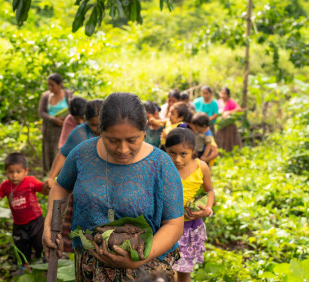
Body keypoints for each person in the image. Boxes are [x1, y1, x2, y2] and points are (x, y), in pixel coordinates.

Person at [43, 92, 184, 281]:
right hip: (90, 269)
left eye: (132, 140)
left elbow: (174, 224)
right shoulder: (82, 154)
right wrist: (50, 224)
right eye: (113, 140)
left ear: (145, 131)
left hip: (146, 270)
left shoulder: (161, 165)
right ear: (100, 131)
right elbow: (61, 187)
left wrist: (139, 259)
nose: (123, 149)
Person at [46, 99, 103, 253]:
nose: (97, 128)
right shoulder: (79, 134)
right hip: (84, 192)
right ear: (86, 121)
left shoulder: (114, 131)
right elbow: (64, 154)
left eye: (100, 124)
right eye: (93, 124)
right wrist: (51, 177)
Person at [0, 153, 49, 275]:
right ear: (5, 172)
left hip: (36, 221)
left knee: (40, 242)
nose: (14, 175)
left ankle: (46, 261)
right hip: (19, 224)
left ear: (26, 171)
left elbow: (43, 190)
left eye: (18, 171)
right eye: (10, 172)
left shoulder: (30, 182)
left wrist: (47, 186)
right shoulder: (5, 186)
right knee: (21, 245)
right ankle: (25, 266)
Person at [165, 128, 215, 282]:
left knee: (184, 272)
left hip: (189, 229)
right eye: (172, 153)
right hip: (165, 226)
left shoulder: (202, 167)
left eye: (183, 154)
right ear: (165, 150)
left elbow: (210, 191)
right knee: (166, 270)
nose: (177, 159)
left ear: (193, 151)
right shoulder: (163, 167)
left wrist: (207, 209)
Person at [38, 73, 73, 174]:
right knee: (48, 154)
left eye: (52, 85)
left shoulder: (68, 95)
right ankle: (48, 177)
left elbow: (73, 110)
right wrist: (54, 119)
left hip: (64, 130)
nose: (50, 88)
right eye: (48, 85)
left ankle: (61, 178)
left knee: (61, 154)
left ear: (60, 85)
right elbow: (41, 112)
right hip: (49, 130)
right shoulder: (45, 96)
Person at [215, 87, 243, 152]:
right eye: (222, 93)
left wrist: (229, 112)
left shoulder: (231, 102)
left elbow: (239, 109)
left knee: (231, 140)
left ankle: (232, 153)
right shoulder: (218, 102)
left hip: (229, 126)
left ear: (228, 95)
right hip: (221, 126)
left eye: (224, 94)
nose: (223, 95)